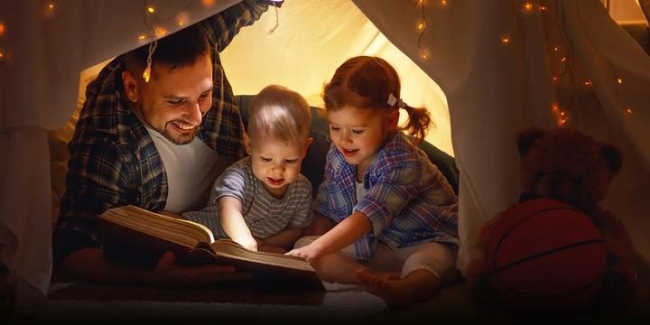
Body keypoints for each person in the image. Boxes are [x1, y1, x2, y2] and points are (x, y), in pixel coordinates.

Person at [52, 1, 271, 287]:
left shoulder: (199, 40)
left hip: (251, 181)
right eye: (176, 101)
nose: (196, 117)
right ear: (133, 88)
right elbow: (71, 250)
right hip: (195, 230)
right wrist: (153, 279)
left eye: (204, 94)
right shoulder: (107, 141)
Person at [286, 56, 460, 308]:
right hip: (379, 248)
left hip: (425, 240)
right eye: (335, 128)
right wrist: (304, 249)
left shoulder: (403, 161)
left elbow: (366, 217)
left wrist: (316, 249)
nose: (344, 140)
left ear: (389, 121)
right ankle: (375, 280)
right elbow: (326, 208)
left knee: (426, 261)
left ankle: (408, 288)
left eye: (356, 131)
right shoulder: (337, 156)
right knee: (308, 248)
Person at [181, 85, 314, 254]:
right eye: (267, 159)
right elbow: (228, 209)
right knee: (177, 231)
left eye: (290, 160)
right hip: (210, 234)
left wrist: (263, 243)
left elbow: (295, 230)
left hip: (255, 248)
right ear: (249, 145)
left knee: (281, 253)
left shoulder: (302, 190)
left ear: (304, 150)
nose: (278, 170)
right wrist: (242, 238)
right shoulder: (238, 176)